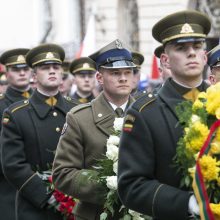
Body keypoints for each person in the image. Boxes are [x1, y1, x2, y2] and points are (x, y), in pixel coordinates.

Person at [117, 10, 211, 220]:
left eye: (197, 47)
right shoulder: (144, 113)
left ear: (205, 57)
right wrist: (187, 203)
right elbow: (131, 185)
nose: (191, 53)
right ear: (166, 61)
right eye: (181, 48)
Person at [52, 39, 136, 220]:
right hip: (96, 213)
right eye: (115, 73)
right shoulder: (80, 118)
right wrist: (109, 184)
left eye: (128, 72)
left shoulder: (147, 112)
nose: (123, 78)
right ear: (99, 77)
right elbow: (62, 173)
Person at [1, 43, 78, 220]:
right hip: (36, 208)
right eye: (45, 68)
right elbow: (13, 165)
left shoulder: (77, 109)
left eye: (56, 67)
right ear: (34, 76)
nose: (52, 71)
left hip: (76, 205)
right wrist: (49, 196)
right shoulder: (16, 114)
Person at [0, 48, 33, 220]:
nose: (21, 73)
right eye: (15, 69)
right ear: (7, 73)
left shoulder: (42, 101)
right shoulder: (1, 105)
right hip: (8, 189)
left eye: (25, 68)